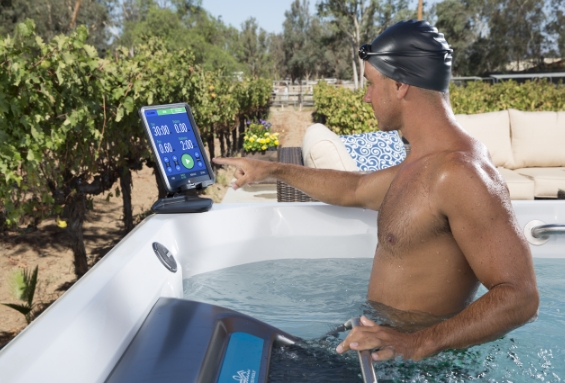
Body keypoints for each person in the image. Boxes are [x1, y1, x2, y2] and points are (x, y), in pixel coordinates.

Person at [213, 20, 539, 362]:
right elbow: (354, 187)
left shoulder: (460, 172)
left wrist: (417, 344)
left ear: (400, 85)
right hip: (379, 347)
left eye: (371, 83)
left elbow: (521, 297)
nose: (366, 96)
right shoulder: (423, 164)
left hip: (412, 366)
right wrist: (271, 169)